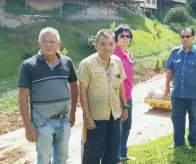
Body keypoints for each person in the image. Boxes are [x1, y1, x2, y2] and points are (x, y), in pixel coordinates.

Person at [17, 27, 78, 164]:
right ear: (39, 44)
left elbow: (74, 86)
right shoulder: (28, 65)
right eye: (45, 41)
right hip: (42, 123)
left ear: (59, 44)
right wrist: (28, 127)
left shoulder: (67, 62)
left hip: (64, 120)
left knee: (62, 158)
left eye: (52, 41)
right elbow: (22, 96)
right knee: (44, 159)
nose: (49, 44)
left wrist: (73, 112)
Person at [79, 29, 128, 164]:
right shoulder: (86, 64)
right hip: (95, 118)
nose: (107, 48)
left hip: (114, 116)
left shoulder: (117, 62)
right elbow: (82, 92)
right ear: (96, 46)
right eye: (103, 44)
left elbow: (121, 85)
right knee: (92, 154)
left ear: (114, 45)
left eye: (111, 44)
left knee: (112, 153)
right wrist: (87, 117)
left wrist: (125, 106)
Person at [165, 28, 196, 148]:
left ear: (193, 37)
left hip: (194, 94)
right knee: (177, 118)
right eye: (182, 36)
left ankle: (193, 142)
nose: (185, 38)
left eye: (187, 36)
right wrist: (166, 86)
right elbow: (169, 70)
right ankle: (178, 142)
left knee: (194, 118)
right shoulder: (175, 52)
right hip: (177, 94)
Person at [113, 25, 136, 162]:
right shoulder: (114, 55)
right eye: (122, 35)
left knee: (127, 126)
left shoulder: (128, 54)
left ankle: (123, 153)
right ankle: (115, 157)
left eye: (128, 36)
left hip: (128, 95)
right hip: (117, 97)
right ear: (116, 38)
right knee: (117, 128)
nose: (125, 38)